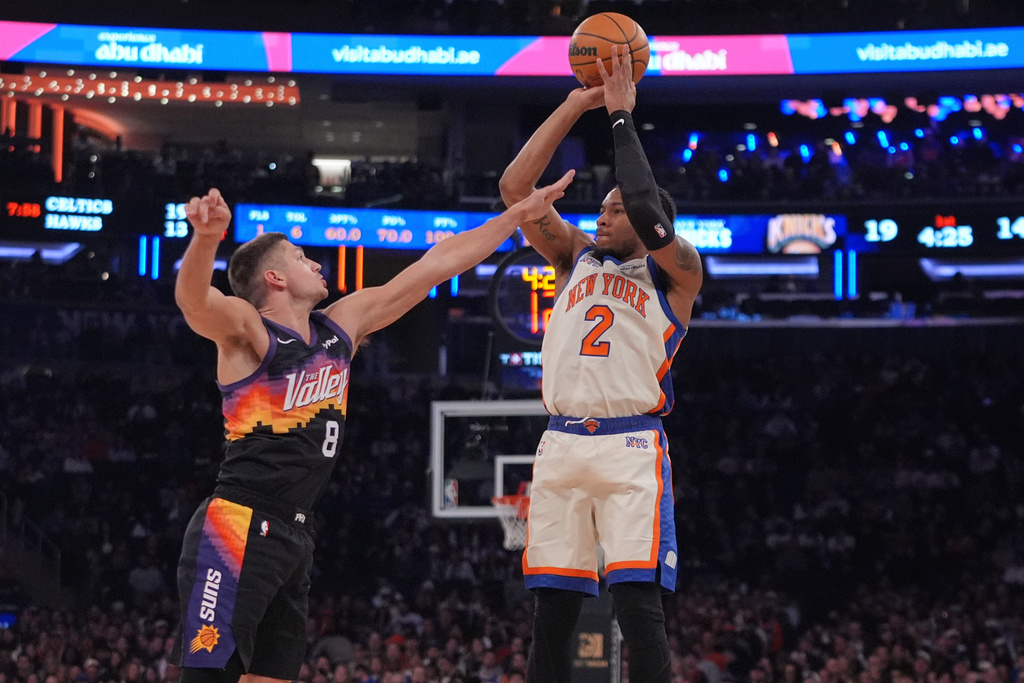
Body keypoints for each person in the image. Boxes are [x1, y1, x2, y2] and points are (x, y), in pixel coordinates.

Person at [170, 171, 575, 683]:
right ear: (274, 278)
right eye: (299, 256)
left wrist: (518, 216)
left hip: (296, 532)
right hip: (238, 522)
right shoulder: (248, 330)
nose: (315, 262)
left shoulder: (342, 324)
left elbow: (436, 265)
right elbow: (194, 302)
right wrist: (206, 240)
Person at [498, 46, 703, 682]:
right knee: (552, 610)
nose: (602, 215)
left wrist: (620, 117)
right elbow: (514, 190)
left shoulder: (679, 274)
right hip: (560, 442)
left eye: (613, 209)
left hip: (630, 445)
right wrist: (575, 103)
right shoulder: (574, 260)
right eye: (604, 207)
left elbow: (645, 203)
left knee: (638, 606)